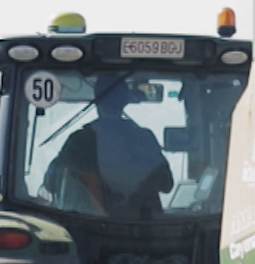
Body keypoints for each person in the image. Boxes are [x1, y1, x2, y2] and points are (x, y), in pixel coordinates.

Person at [44, 83, 174, 217]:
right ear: (125, 102)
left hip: (87, 227)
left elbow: (51, 183)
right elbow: (167, 184)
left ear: (97, 101)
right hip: (145, 228)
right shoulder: (145, 139)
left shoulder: (79, 141)